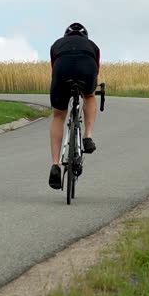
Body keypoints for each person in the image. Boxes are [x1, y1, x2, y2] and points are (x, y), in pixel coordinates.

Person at [47, 22, 100, 189]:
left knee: (58, 115)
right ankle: (88, 136)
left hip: (62, 70)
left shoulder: (56, 44)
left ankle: (55, 164)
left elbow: (53, 67)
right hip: (87, 68)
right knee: (90, 95)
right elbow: (96, 69)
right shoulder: (93, 46)